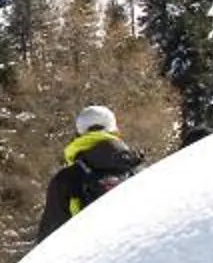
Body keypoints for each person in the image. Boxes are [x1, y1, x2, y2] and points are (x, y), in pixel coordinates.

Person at [36, 103, 144, 241]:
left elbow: (48, 241)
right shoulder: (139, 170)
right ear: (115, 131)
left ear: (79, 134)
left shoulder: (65, 179)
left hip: (88, 258)